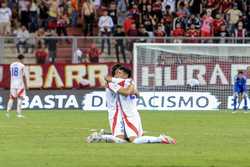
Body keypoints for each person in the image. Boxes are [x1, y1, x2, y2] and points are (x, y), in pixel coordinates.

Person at [87, 65, 176, 144]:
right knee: (126, 140)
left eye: (120, 73)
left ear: (126, 75)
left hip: (130, 115)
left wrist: (132, 88)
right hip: (116, 114)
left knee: (130, 140)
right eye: (116, 73)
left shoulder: (129, 82)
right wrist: (132, 88)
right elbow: (128, 92)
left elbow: (135, 93)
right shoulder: (112, 84)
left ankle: (103, 136)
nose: (117, 75)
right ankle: (103, 136)